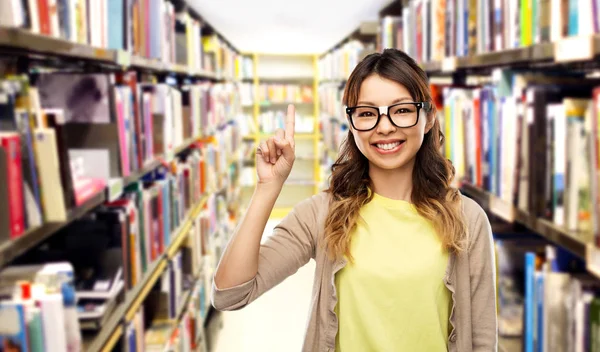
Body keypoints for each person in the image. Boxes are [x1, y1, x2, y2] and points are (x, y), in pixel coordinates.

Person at [212, 48, 497, 352]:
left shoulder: (467, 218)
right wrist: (267, 187)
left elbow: (482, 338)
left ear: (427, 119)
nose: (384, 126)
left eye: (401, 110)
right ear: (351, 124)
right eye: (367, 113)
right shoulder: (322, 214)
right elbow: (230, 294)